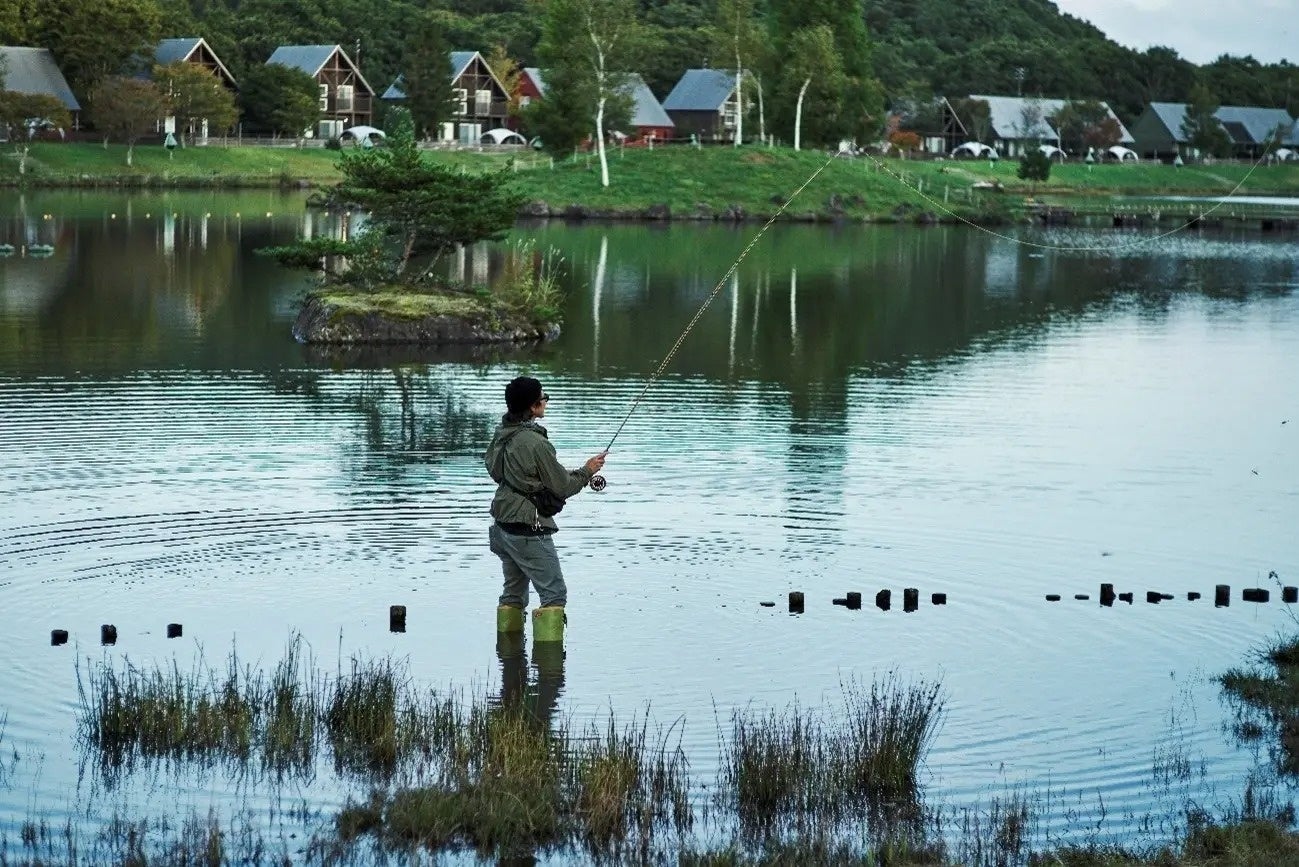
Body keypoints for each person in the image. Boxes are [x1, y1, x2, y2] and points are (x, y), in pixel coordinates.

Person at [484, 376, 607, 625]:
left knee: (513, 596)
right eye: (543, 398)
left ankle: (508, 649)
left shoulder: (501, 434)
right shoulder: (537, 443)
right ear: (533, 406)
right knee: (554, 596)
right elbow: (562, 487)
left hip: (502, 527)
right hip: (527, 530)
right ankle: (549, 651)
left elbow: (496, 472)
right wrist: (587, 471)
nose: (545, 402)